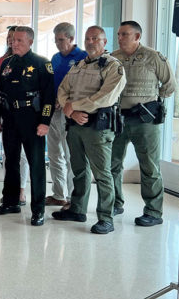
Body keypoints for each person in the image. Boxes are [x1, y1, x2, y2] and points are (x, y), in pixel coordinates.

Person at [53, 26, 126, 234]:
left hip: (97, 127)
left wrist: (75, 106)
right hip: (75, 124)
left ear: (104, 42)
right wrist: (71, 112)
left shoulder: (113, 66)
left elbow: (106, 97)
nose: (91, 42)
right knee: (78, 170)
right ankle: (77, 209)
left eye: (95, 38)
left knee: (102, 174)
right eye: (87, 38)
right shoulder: (78, 65)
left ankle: (106, 217)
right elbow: (62, 91)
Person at [111, 20, 177, 226]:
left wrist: (152, 102)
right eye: (119, 34)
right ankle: (114, 203)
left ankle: (153, 212)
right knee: (111, 164)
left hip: (145, 121)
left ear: (137, 37)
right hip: (118, 118)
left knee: (149, 166)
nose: (120, 38)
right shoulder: (113, 58)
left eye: (125, 34)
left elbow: (169, 85)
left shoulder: (153, 57)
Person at [0, 26, 55, 226]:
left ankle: (38, 210)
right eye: (12, 40)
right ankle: (11, 202)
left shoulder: (41, 63)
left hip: (32, 120)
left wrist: (45, 122)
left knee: (36, 164)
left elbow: (49, 97)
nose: (14, 43)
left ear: (30, 42)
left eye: (19, 40)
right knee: (10, 162)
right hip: (10, 118)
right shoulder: (7, 64)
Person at [46, 22, 87, 208]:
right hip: (53, 112)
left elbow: (83, 87)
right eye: (55, 40)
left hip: (71, 112)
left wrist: (66, 102)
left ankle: (72, 198)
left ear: (71, 39)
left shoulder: (82, 58)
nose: (57, 43)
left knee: (71, 156)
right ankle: (58, 194)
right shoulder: (54, 58)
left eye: (61, 40)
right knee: (54, 154)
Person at [0, 25, 28, 204]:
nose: (11, 40)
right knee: (8, 155)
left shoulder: (32, 61)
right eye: (9, 37)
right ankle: (9, 191)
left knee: (22, 156)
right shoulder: (2, 61)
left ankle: (21, 190)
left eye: (15, 38)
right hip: (6, 114)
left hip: (26, 115)